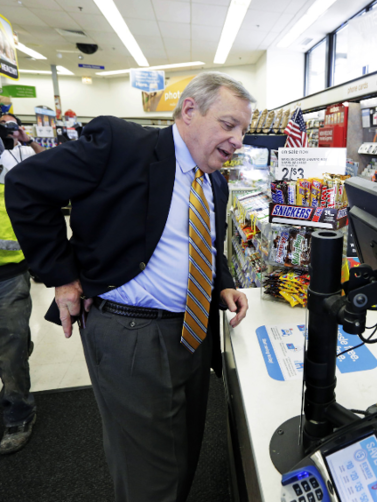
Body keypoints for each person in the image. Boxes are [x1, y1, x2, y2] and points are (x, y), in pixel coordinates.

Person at [5, 71, 252, 501]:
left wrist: (223, 285)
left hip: (193, 333)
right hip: (130, 334)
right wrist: (62, 277)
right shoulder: (121, 144)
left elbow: (207, 245)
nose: (238, 140)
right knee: (147, 471)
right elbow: (26, 187)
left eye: (244, 130)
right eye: (229, 125)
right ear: (189, 110)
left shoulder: (213, 181)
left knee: (185, 448)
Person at [0, 113, 44, 454]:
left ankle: (18, 414)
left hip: (9, 275)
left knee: (12, 346)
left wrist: (24, 139)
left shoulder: (14, 163)